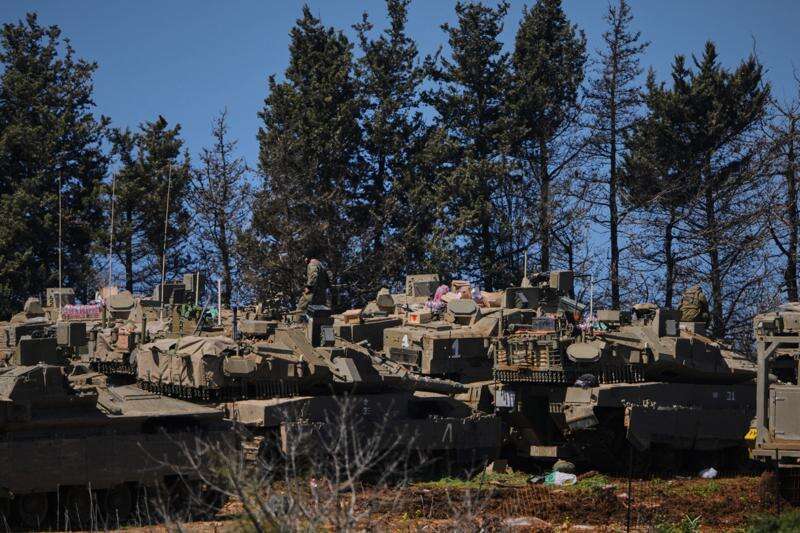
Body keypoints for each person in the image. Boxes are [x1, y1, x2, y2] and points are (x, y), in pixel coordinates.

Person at [295, 249, 331, 313]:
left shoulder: (312, 264)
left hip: (312, 292)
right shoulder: (321, 264)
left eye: (305, 257)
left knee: (300, 308)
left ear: (309, 257)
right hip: (321, 294)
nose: (305, 259)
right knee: (318, 312)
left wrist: (309, 287)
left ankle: (297, 319)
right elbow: (328, 278)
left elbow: (314, 276)